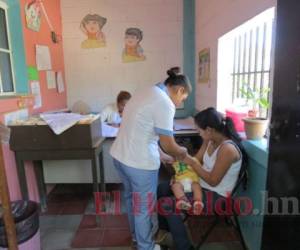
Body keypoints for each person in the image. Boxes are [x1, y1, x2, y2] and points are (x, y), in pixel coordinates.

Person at [110, 67, 192, 250]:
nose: (179, 103)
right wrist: (182, 153)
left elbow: (144, 131)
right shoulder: (165, 102)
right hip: (139, 165)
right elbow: (169, 143)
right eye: (183, 99)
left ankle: (136, 239)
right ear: (179, 90)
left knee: (132, 201)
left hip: (119, 157)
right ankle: (145, 246)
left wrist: (162, 156)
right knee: (143, 209)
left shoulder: (148, 91)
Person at [157, 107, 247, 250]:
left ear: (209, 130)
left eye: (199, 130)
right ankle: (165, 234)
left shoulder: (227, 149)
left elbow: (212, 180)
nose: (198, 133)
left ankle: (184, 247)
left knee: (167, 204)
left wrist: (192, 163)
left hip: (217, 196)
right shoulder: (210, 140)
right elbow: (196, 160)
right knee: (162, 188)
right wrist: (179, 173)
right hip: (200, 184)